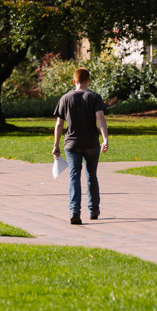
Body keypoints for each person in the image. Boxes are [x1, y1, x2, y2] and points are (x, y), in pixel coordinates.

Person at [51, 68, 110, 224]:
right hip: (91, 143)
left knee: (74, 175)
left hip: (72, 143)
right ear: (89, 80)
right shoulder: (95, 97)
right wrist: (105, 139)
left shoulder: (65, 98)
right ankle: (94, 210)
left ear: (74, 81)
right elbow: (100, 118)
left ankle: (74, 211)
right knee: (92, 176)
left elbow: (59, 124)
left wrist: (56, 145)